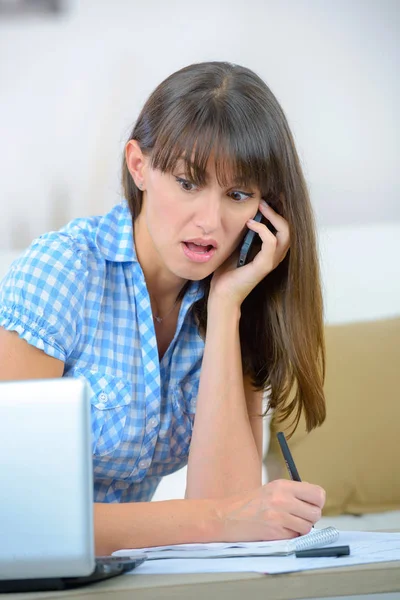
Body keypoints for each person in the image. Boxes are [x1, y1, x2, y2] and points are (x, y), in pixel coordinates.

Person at [0, 61, 326, 555]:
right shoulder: (62, 274)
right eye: (188, 183)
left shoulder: (238, 302)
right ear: (139, 167)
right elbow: (17, 517)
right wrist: (217, 519)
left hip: (120, 579)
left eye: (238, 195)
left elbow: (230, 518)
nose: (210, 221)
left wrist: (225, 308)